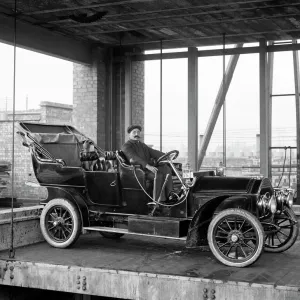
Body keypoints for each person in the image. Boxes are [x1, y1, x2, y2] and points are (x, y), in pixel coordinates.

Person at [122, 124, 174, 202]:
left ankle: (170, 195)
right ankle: (158, 201)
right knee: (158, 175)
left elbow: (153, 152)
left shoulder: (142, 145)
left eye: (138, 132)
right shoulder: (126, 146)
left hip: (146, 169)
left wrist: (166, 155)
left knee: (165, 169)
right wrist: (147, 166)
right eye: (134, 132)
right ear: (129, 134)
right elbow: (135, 158)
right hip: (137, 171)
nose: (137, 134)